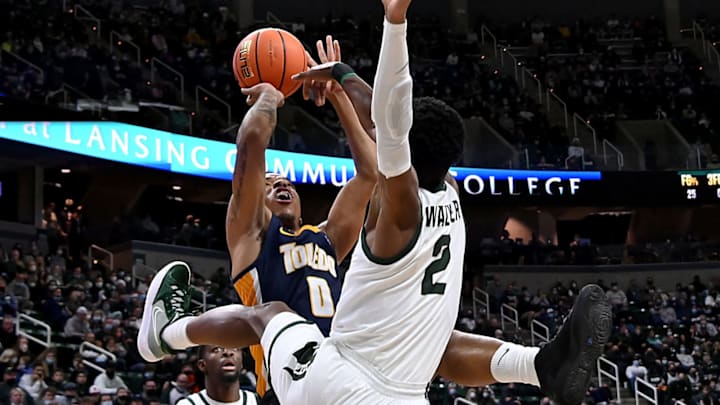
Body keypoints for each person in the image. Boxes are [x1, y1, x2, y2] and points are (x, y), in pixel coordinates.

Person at [137, 1, 612, 404]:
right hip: (332, 379)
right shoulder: (253, 233)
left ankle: (169, 332)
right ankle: (539, 364)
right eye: (271, 183)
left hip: (331, 375)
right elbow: (257, 151)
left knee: (273, 315)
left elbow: (377, 153)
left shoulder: (339, 232)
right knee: (420, 341)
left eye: (286, 181)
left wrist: (271, 95)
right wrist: (337, 86)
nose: (279, 184)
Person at [176, 346, 260, 405]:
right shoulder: (188, 403)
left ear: (241, 363)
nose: (228, 352)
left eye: (234, 348)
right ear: (202, 365)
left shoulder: (258, 401)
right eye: (217, 349)